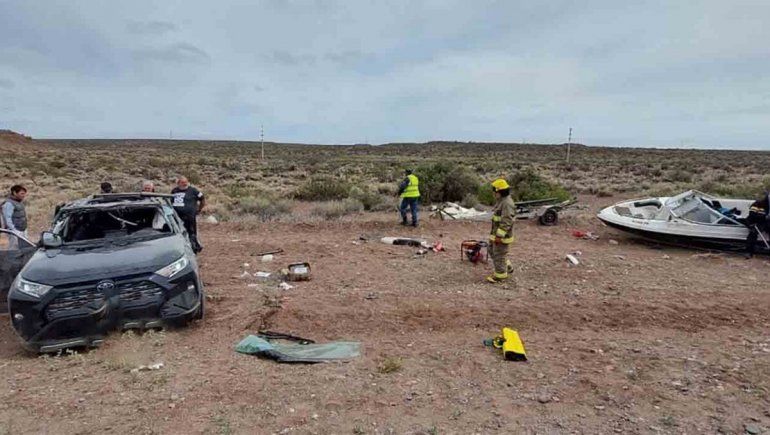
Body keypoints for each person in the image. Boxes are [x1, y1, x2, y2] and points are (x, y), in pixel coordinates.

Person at [486, 178, 516, 283]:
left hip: (502, 236)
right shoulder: (501, 201)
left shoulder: (507, 204)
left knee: (499, 254)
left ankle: (500, 275)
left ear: (500, 192)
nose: (494, 193)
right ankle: (506, 265)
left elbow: (506, 221)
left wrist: (499, 236)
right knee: (491, 249)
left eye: (495, 191)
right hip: (495, 233)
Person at [171, 176, 205, 253]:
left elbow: (202, 198)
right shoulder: (174, 191)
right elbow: (171, 201)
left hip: (189, 216)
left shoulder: (193, 190)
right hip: (177, 215)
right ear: (178, 183)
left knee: (191, 232)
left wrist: (199, 209)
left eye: (186, 182)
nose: (185, 183)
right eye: (182, 182)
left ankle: (194, 247)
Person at [1, 185, 29, 249]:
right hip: (14, 231)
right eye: (21, 193)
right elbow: (7, 219)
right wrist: (14, 231)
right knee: (14, 249)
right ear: (14, 193)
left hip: (23, 229)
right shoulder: (9, 204)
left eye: (24, 194)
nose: (23, 195)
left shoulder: (19, 202)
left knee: (24, 247)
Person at [744, 191, 770, 258]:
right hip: (757, 222)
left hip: (767, 222)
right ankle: (749, 252)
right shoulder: (757, 204)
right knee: (753, 232)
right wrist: (765, 217)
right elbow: (752, 215)